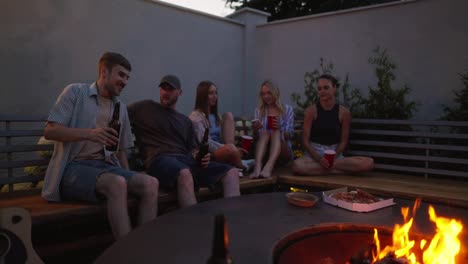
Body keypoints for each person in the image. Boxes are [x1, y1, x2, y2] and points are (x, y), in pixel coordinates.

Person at [42, 52, 159, 240]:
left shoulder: (120, 107)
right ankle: (128, 254)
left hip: (105, 167)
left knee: (151, 184)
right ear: (104, 72)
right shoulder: (75, 92)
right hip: (72, 167)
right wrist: (90, 134)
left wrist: (130, 176)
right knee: (117, 184)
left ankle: (142, 247)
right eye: (121, 75)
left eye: (128, 77)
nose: (125, 81)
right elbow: (50, 131)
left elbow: (121, 150)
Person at [127, 75, 240, 208]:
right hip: (159, 159)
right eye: (163, 88)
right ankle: (194, 226)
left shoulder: (185, 121)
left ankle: (231, 223)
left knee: (232, 173)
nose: (165, 92)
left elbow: (193, 149)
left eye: (170, 89)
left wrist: (201, 156)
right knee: (185, 173)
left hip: (184, 160)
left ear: (179, 93)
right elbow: (118, 114)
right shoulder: (145, 107)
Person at [292, 74, 374, 175]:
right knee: (297, 166)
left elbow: (343, 142)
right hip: (314, 154)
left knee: (368, 163)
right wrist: (319, 159)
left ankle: (326, 169)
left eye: (326, 87)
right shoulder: (311, 111)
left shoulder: (344, 113)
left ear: (334, 88)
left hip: (335, 154)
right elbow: (305, 141)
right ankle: (338, 170)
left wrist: (332, 158)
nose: (322, 91)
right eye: (319, 88)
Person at [189, 81, 253, 171]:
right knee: (230, 149)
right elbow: (206, 143)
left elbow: (222, 138)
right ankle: (242, 165)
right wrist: (228, 148)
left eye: (216, 93)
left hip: (222, 148)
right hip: (209, 153)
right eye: (211, 93)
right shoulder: (195, 117)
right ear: (202, 96)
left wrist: (231, 147)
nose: (215, 96)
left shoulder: (215, 115)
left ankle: (233, 158)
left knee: (228, 115)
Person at [250, 80, 294, 178]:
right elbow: (257, 138)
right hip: (264, 151)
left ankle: (268, 167)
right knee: (265, 133)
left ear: (275, 92)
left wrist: (280, 128)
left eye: (269, 93)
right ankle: (258, 166)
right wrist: (255, 130)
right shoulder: (259, 110)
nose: (266, 96)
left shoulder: (287, 109)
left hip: (283, 151)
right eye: (263, 94)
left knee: (275, 131)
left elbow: (290, 134)